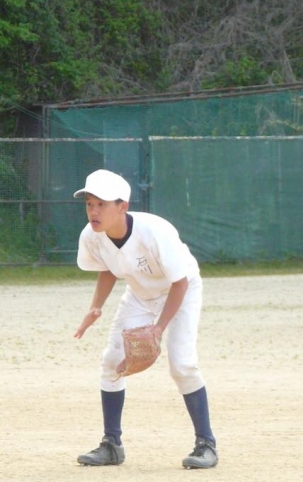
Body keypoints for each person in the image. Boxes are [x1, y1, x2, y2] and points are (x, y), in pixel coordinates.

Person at [72, 169, 218, 469]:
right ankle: (112, 444)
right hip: (140, 295)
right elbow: (108, 267)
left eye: (101, 204)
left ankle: (206, 444)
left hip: (181, 291)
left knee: (182, 365)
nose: (93, 211)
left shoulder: (154, 232)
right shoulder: (92, 236)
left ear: (122, 206)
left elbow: (180, 283)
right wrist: (95, 306)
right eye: (89, 204)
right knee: (111, 361)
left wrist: (158, 328)